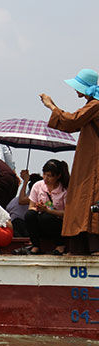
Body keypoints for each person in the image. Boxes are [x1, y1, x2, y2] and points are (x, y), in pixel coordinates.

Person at [40, 68, 99, 255]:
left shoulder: (95, 104)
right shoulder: (93, 104)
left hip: (93, 162)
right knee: (83, 200)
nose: (75, 90)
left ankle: (91, 248)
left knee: (88, 198)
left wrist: (51, 106)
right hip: (89, 160)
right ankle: (81, 248)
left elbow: (72, 121)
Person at [14, 159, 69, 255]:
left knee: (46, 217)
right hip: (41, 223)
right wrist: (38, 208)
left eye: (50, 176)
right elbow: (31, 207)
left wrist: (48, 211)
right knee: (30, 215)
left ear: (58, 176)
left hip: (57, 224)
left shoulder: (64, 190)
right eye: (44, 174)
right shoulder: (38, 186)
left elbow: (67, 213)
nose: (46, 178)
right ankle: (35, 246)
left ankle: (60, 244)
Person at [7, 171, 42, 237]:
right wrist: (26, 181)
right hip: (16, 225)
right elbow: (21, 200)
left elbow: (22, 200)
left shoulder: (39, 195)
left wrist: (25, 181)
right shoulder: (18, 199)